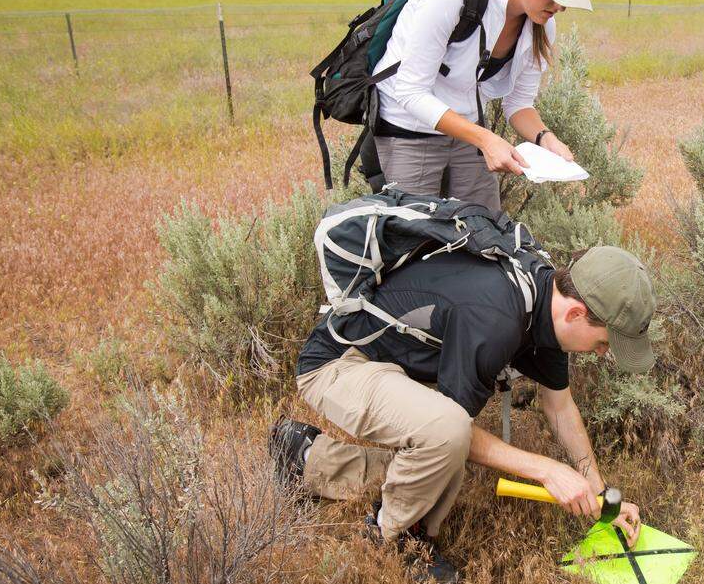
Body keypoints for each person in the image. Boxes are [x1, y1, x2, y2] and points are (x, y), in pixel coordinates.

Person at [272, 246, 655, 582]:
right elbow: (457, 430)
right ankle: (393, 537)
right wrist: (547, 470)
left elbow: (559, 406)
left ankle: (306, 457)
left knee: (443, 453)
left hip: (393, 364)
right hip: (338, 366)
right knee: (447, 437)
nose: (604, 353)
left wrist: (605, 497)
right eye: (605, 342)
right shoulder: (496, 315)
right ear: (575, 313)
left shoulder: (544, 295)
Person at [357, 0, 593, 211]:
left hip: (468, 131)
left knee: (484, 234)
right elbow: (410, 92)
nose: (559, 5)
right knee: (416, 239)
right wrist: (486, 139)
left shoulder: (541, 23)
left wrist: (546, 138)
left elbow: (519, 105)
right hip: (407, 129)